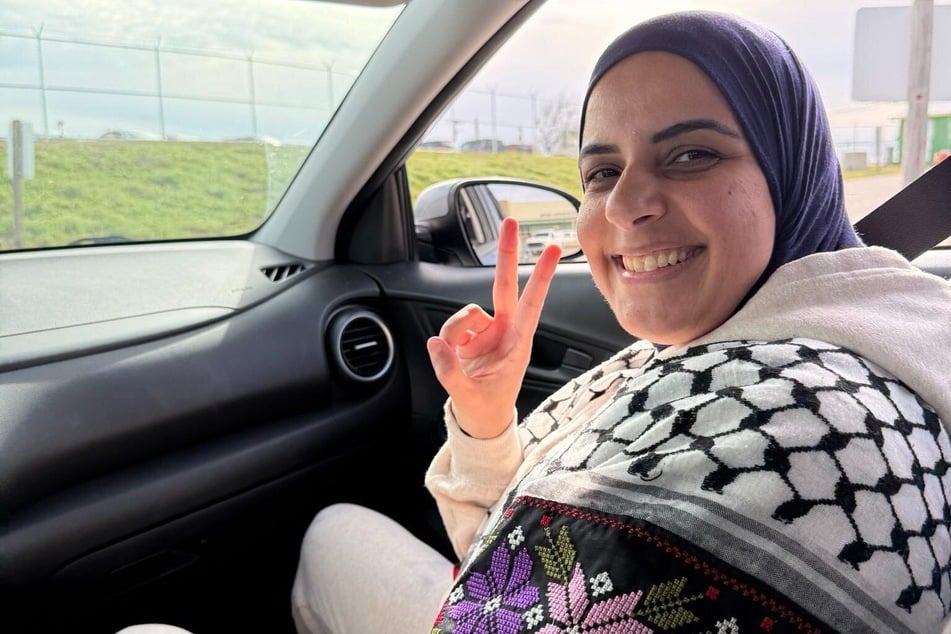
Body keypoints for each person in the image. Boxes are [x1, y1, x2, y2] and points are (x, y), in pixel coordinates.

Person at [122, 9, 951, 634]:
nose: (624, 206)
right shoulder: (844, 331)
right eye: (599, 171)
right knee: (335, 533)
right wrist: (486, 422)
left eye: (691, 153)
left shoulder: (794, 415)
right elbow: (527, 569)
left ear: (792, 171)